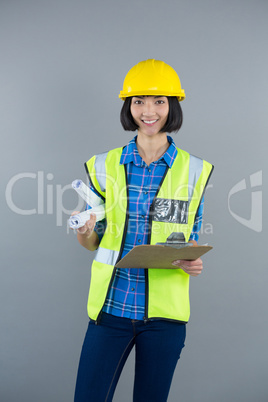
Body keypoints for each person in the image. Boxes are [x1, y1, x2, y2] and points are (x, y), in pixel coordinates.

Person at [72, 59, 214, 402]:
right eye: (139, 102)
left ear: (172, 107)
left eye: (159, 102)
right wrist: (84, 230)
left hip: (164, 319)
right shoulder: (102, 165)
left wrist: (193, 261)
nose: (148, 111)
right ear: (128, 107)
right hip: (110, 310)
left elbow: (191, 238)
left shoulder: (196, 171)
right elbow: (94, 242)